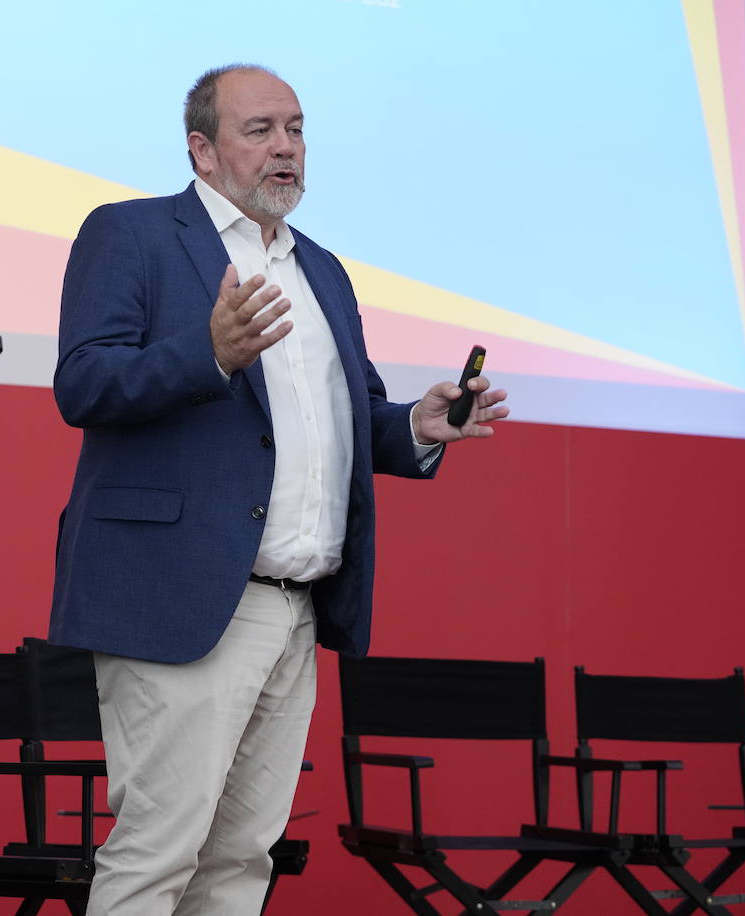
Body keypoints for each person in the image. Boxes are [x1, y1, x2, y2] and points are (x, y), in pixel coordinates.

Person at [47, 64, 508, 915]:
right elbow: (84, 383)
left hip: (296, 608)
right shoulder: (134, 235)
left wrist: (416, 425)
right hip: (183, 599)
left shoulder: (322, 270)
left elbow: (346, 417)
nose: (286, 148)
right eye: (260, 130)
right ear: (203, 149)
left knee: (240, 864)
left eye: (296, 129)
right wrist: (209, 354)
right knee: (158, 853)